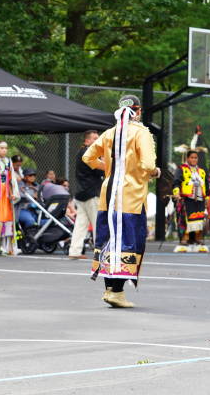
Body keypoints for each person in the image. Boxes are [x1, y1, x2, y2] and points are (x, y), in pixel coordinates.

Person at [82, 95, 159, 308]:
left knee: (108, 238)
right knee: (128, 240)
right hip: (131, 195)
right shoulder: (141, 133)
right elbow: (148, 163)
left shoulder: (109, 133)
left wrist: (108, 168)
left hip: (109, 194)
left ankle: (110, 289)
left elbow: (87, 158)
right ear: (139, 111)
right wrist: (155, 172)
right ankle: (117, 291)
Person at [68, 130, 103, 259]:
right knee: (98, 223)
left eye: (98, 138)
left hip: (81, 193)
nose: (97, 140)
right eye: (94, 138)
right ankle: (100, 252)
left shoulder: (81, 152)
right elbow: (100, 171)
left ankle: (74, 251)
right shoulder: (89, 153)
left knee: (80, 224)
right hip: (91, 193)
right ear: (87, 140)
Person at [173, 150, 210, 253]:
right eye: (192, 157)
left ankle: (198, 241)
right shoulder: (181, 169)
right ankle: (184, 241)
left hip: (200, 200)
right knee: (185, 220)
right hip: (186, 199)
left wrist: (207, 197)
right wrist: (176, 192)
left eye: (196, 158)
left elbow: (206, 186)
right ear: (187, 158)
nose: (194, 159)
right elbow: (176, 182)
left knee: (199, 221)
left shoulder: (201, 171)